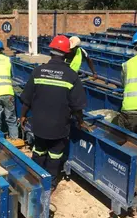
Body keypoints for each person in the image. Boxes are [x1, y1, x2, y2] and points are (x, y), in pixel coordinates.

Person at [20, 35, 89, 190]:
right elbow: (77, 106)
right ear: (67, 54)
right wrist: (81, 121)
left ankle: (35, 180)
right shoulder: (72, 76)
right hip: (59, 127)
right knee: (55, 155)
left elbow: (27, 99)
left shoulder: (38, 71)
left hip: (39, 124)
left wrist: (23, 115)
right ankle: (50, 184)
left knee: (38, 150)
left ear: (51, 51)